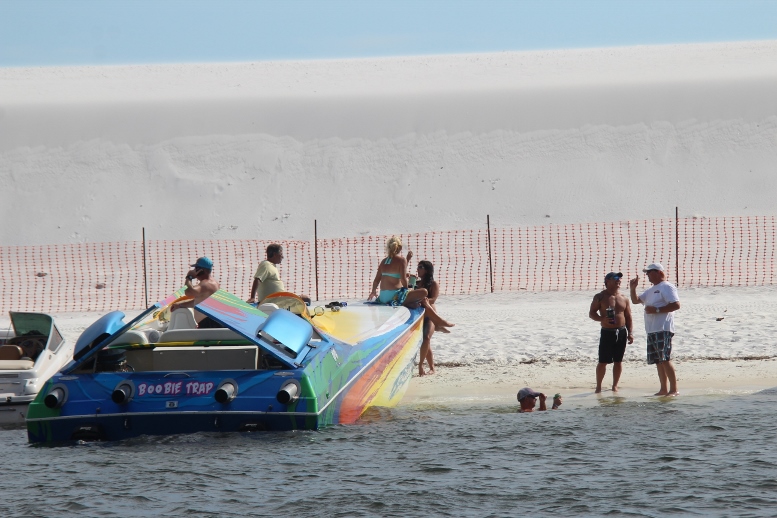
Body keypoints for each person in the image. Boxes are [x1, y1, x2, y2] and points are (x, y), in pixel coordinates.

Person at [368, 236, 454, 332]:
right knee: (424, 292)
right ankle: (438, 321)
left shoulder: (384, 261)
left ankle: (438, 321)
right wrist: (407, 289)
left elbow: (376, 280)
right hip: (394, 297)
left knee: (417, 298)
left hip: (383, 297)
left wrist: (373, 291)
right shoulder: (401, 260)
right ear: (400, 248)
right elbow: (403, 279)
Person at [629, 262, 681, 396]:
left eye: (649, 272)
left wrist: (656, 310)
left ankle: (674, 389)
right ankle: (663, 389)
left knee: (665, 359)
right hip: (652, 329)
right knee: (658, 361)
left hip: (663, 328)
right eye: (646, 273)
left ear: (658, 272)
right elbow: (635, 300)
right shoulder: (651, 289)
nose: (647, 275)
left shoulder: (667, 286)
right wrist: (633, 288)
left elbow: (676, 305)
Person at [588, 272, 634, 393]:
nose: (619, 280)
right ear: (607, 281)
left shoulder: (624, 298)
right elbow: (591, 313)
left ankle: (615, 386)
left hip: (622, 331)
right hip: (607, 332)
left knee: (618, 361)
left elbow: (628, 316)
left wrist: (630, 333)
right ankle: (598, 387)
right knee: (603, 361)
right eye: (616, 278)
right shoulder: (600, 296)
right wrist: (602, 319)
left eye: (620, 278)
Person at [170, 256, 220, 321]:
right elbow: (198, 302)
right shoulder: (213, 282)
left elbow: (188, 292)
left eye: (196, 268)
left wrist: (189, 277)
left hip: (209, 323)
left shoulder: (206, 284)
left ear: (200, 270)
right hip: (211, 321)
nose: (194, 270)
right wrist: (180, 305)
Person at [416, 260, 441, 376]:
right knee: (425, 342)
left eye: (420, 267)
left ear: (427, 270)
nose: (418, 269)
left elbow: (433, 299)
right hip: (418, 316)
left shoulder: (433, 284)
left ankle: (421, 365)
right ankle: (432, 367)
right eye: (418, 267)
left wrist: (420, 301)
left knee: (426, 338)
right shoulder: (416, 283)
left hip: (430, 316)